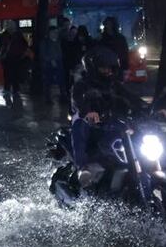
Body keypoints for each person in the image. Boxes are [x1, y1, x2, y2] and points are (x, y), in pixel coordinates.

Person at [70, 47, 150, 186]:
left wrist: (149, 109)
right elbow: (78, 100)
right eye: (103, 68)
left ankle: (141, 164)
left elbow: (131, 98)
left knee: (133, 130)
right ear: (93, 68)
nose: (108, 71)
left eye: (110, 68)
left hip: (108, 121)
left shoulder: (113, 85)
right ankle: (82, 168)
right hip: (88, 121)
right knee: (79, 126)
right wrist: (87, 112)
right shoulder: (81, 85)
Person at [0, 19, 29, 96]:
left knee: (12, 73)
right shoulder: (16, 34)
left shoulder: (5, 35)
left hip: (13, 57)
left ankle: (12, 89)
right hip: (9, 57)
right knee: (10, 73)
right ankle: (12, 89)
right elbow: (25, 44)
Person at [41, 27, 66, 102]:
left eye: (56, 32)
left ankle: (62, 96)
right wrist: (51, 60)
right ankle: (48, 98)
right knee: (48, 81)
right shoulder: (45, 42)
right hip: (49, 64)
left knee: (61, 80)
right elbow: (43, 54)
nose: (55, 34)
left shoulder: (58, 41)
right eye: (53, 32)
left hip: (59, 62)